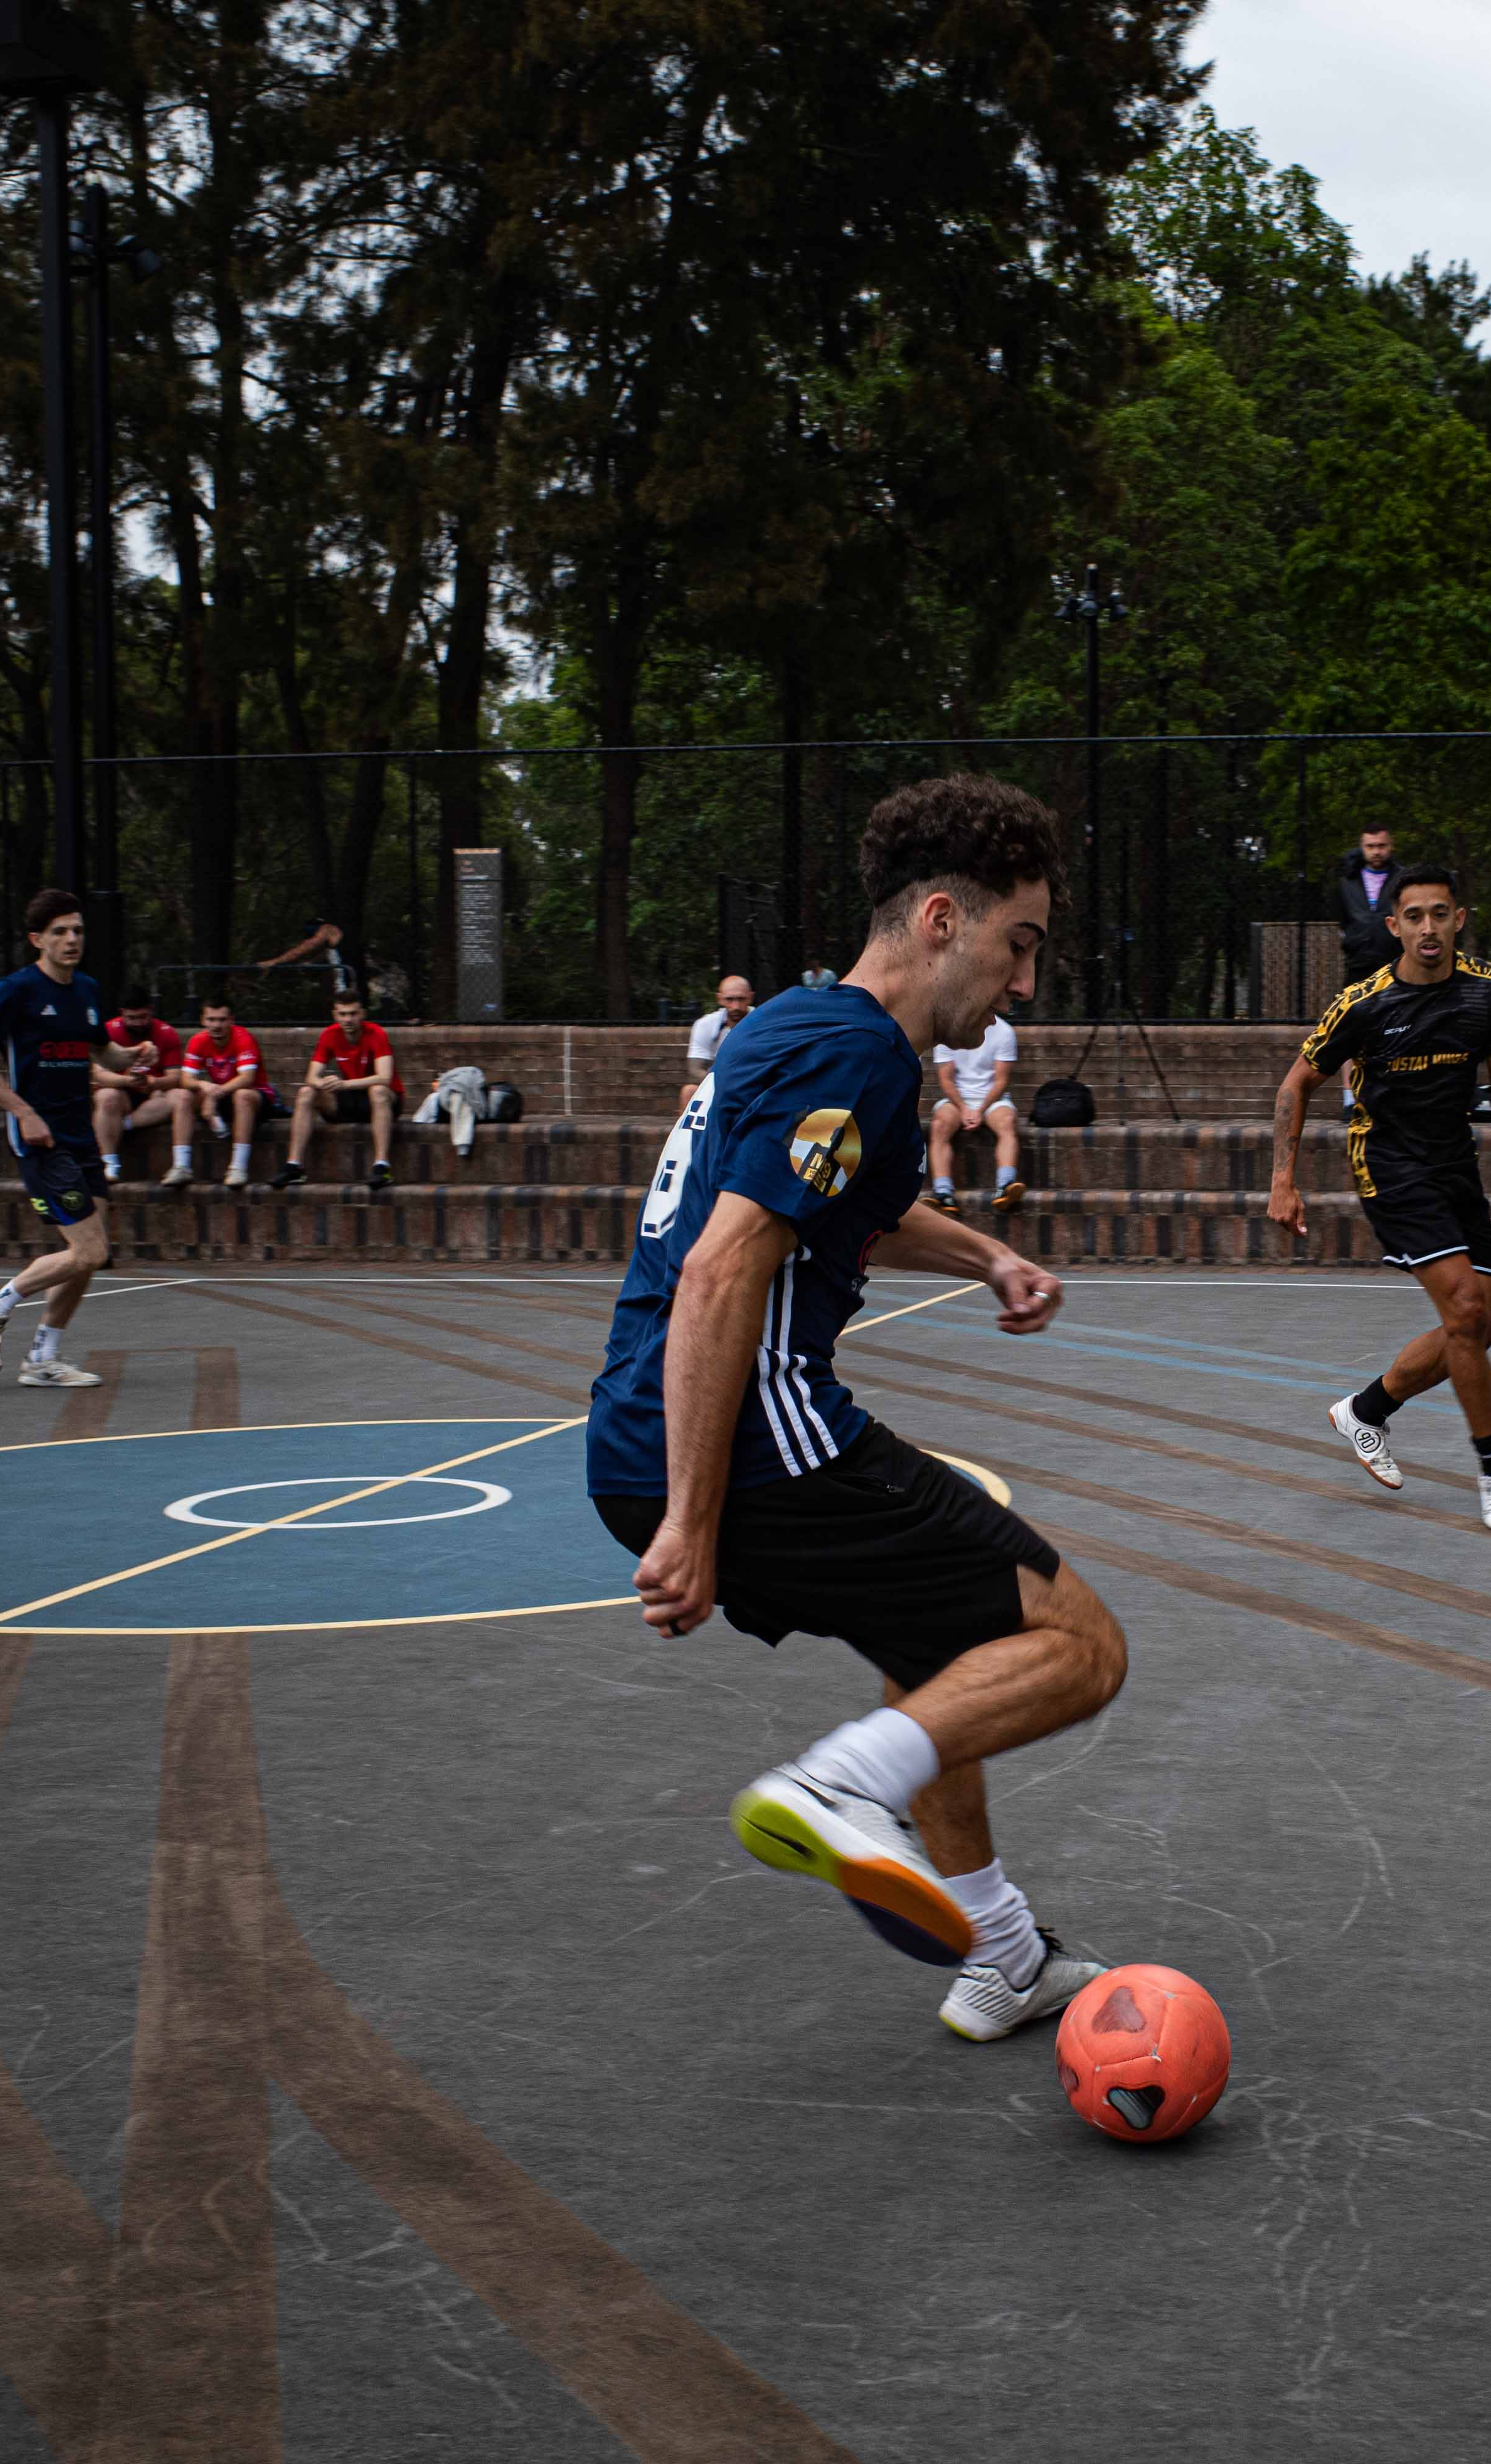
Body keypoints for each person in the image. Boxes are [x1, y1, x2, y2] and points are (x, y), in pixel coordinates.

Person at [588, 774, 1128, 2044]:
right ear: (942, 917)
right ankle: (841, 1785)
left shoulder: (800, 1029)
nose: (1027, 984)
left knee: (940, 1640)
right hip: (750, 1435)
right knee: (1077, 1643)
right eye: (1020, 945)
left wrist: (987, 1256)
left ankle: (1001, 1951)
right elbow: (725, 1267)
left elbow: (863, 1210)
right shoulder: (860, 1054)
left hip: (650, 1426)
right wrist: (693, 1515)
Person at [1269, 866, 1491, 1534]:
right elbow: (1296, 1086)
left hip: (1453, 1161)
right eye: (1415, 916)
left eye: (1440, 914)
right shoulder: (1364, 1004)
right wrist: (1282, 1181)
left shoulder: (1489, 993)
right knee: (1464, 1310)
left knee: (1479, 1327)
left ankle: (1365, 1412)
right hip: (1388, 1163)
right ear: (1394, 926)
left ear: (1458, 918)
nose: (1428, 928)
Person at [0, 890, 156, 1391]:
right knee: (89, 1252)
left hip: (80, 1134)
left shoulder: (86, 990)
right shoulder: (15, 991)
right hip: (41, 1140)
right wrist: (23, 1114)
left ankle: (43, 1358)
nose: (72, 940)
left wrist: (134, 1057)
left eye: (78, 931)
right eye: (61, 932)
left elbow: (103, 1054)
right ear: (37, 939)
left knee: (91, 1251)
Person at [278, 992, 403, 1189]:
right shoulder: (330, 1034)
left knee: (378, 1090)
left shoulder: (376, 1033)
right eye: (343, 1014)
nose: (348, 1019)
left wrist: (344, 1084)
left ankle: (382, 1167)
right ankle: (294, 1166)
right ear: (335, 1015)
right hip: (350, 1101)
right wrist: (324, 1084)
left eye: (353, 1014)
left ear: (362, 1014)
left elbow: (385, 1077)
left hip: (384, 1102)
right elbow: (311, 1077)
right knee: (306, 1093)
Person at [91, 987, 194, 1186]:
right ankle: (108, 1165)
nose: (138, 1023)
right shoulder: (107, 1031)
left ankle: (182, 1166)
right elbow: (98, 1075)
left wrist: (155, 1082)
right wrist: (127, 1081)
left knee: (183, 1096)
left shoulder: (166, 1032)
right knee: (106, 1096)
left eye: (143, 1017)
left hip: (155, 1096)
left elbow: (175, 1077)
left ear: (152, 1010)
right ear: (122, 1013)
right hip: (122, 1095)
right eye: (132, 1018)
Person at [927, 1008, 1023, 1213]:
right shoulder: (948, 1034)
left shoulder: (1004, 1032)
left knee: (1007, 1122)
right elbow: (946, 1079)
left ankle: (1005, 1186)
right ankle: (943, 1192)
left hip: (993, 1100)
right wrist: (964, 1108)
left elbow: (1001, 1081)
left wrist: (980, 1109)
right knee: (939, 1125)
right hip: (957, 1099)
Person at [180, 998, 267, 1187]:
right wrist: (205, 1087)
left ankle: (238, 1168)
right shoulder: (198, 1041)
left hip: (256, 1097)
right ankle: (181, 1166)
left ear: (231, 1020)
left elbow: (247, 1079)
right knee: (184, 1096)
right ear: (203, 1020)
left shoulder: (243, 1037)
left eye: (222, 1020)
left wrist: (213, 1095)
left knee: (242, 1095)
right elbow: (186, 1080)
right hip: (224, 1096)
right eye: (211, 1020)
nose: (216, 1025)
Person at [1328, 825, 1401, 984]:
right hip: (1357, 962)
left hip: (1394, 963)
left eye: (1382, 846)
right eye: (1370, 846)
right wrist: (1352, 940)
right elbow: (1342, 917)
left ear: (1391, 846)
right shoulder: (1347, 881)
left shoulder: (1403, 880)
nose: (1376, 852)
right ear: (1362, 847)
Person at [683, 974, 754, 1111]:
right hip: (717, 1085)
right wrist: (726, 1086)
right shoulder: (705, 1025)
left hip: (753, 1086)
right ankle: (685, 1134)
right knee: (689, 1091)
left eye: (741, 999)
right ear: (720, 999)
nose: (736, 1006)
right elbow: (695, 1070)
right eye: (730, 1000)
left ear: (750, 997)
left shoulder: (764, 1023)